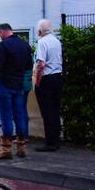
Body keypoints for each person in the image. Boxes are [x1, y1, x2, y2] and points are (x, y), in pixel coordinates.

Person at [0, 23, 33, 160]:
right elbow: (29, 65)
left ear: (2, 32)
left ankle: (6, 150)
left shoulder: (3, 45)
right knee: (19, 115)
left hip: (5, 84)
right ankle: (21, 147)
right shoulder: (25, 45)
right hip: (19, 84)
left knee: (6, 116)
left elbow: (0, 66)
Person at [34, 19, 64, 152]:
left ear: (39, 31)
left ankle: (50, 143)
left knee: (47, 112)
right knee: (55, 110)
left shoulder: (42, 42)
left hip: (46, 79)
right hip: (57, 77)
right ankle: (56, 140)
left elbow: (41, 64)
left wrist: (37, 80)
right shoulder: (56, 41)